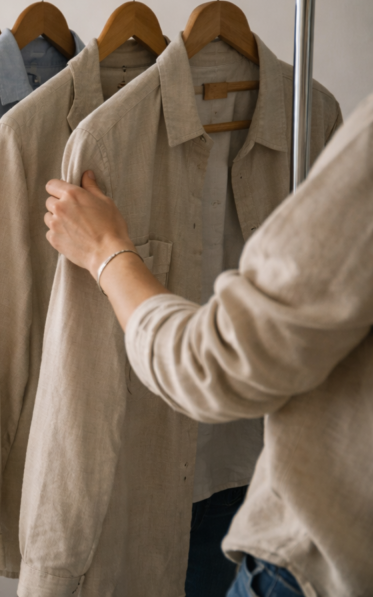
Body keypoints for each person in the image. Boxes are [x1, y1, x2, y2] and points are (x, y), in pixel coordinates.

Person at [41, 92, 373, 597]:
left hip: (318, 565)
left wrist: (107, 253)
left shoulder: (318, 114)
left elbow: (216, 364)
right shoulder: (96, 136)